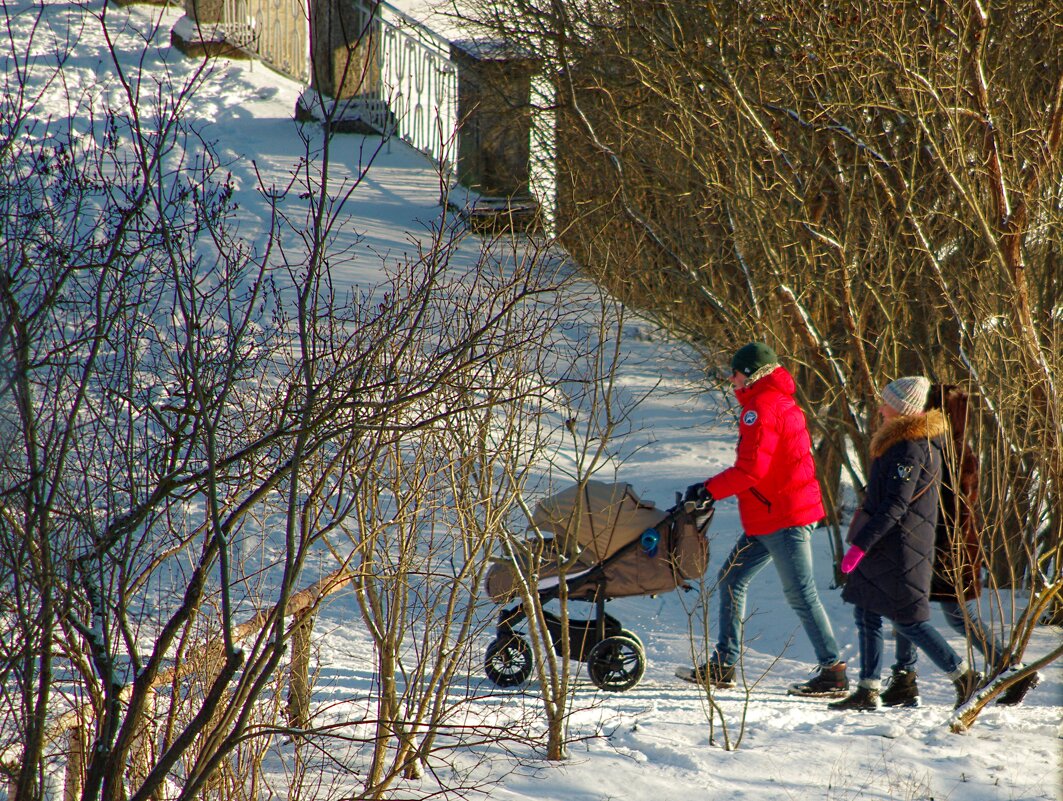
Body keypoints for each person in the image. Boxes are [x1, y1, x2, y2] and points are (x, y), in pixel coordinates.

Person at [676, 342, 847, 697]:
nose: (731, 379)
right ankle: (723, 666)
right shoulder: (777, 402)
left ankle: (833, 672)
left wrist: (710, 490)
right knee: (731, 580)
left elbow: (752, 469)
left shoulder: (762, 407)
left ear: (752, 375)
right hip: (771, 515)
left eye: (736, 372)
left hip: (784, 515)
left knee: (800, 594)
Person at [880, 384, 1039, 707]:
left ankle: (1004, 670)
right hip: (943, 543)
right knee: (918, 608)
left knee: (930, 612)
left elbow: (949, 504)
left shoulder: (939, 447)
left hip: (941, 545)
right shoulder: (947, 444)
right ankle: (905, 676)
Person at [831, 376, 981, 711]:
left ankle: (965, 676)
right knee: (866, 609)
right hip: (887, 543)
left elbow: (896, 506)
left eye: (886, 403)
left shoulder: (910, 448)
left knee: (907, 620)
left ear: (902, 408)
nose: (880, 408)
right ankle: (868, 689)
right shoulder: (900, 441)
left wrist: (860, 545)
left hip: (900, 547)